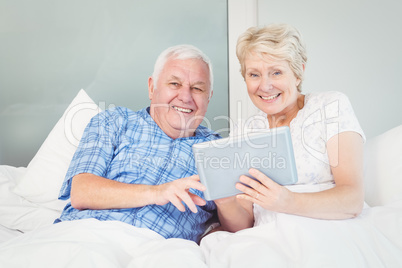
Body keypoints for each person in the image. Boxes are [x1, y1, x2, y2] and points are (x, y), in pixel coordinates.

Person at [55, 44, 221, 243]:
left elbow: (233, 223)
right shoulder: (113, 121)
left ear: (208, 97)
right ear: (152, 87)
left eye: (197, 88)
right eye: (174, 84)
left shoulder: (217, 150)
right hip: (85, 234)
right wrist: (157, 192)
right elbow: (82, 192)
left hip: (160, 250)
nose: (185, 97)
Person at [215, 24, 365, 232]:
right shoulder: (244, 131)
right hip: (265, 238)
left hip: (326, 230)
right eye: (254, 75)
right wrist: (225, 202)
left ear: (298, 73)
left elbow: (352, 200)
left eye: (276, 72)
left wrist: (287, 202)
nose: (265, 86)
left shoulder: (331, 106)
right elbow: (243, 225)